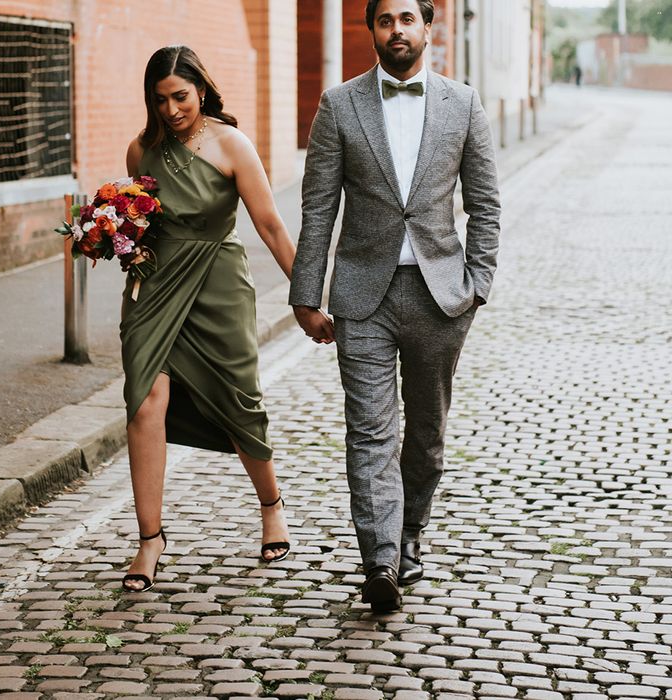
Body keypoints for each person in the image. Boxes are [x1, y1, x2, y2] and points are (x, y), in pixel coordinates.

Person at [290, 0, 500, 612]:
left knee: (426, 434)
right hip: (364, 296)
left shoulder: (464, 104)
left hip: (440, 297)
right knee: (370, 431)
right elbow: (319, 208)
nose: (397, 30)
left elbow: (485, 204)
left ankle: (409, 535)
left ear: (427, 28)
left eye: (408, 19)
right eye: (385, 20)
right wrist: (307, 293)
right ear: (372, 31)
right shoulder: (338, 105)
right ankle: (379, 558)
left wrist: (477, 284)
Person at [120, 45, 295, 592]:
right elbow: (140, 222)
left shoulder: (231, 143)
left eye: (181, 96)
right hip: (155, 290)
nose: (172, 110)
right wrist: (122, 244)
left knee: (240, 400)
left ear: (201, 89)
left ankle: (272, 507)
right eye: (161, 99)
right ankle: (149, 540)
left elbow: (269, 225)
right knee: (146, 400)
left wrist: (308, 296)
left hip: (218, 286)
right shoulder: (140, 151)